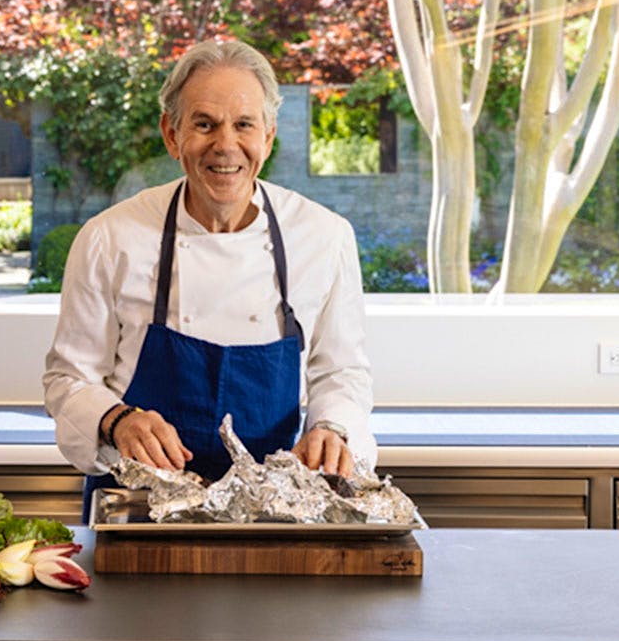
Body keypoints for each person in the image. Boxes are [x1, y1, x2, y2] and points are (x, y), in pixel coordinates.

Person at [42, 39, 377, 518]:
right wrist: (116, 420)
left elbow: (340, 370)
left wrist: (333, 428)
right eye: (204, 124)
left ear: (268, 136)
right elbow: (68, 378)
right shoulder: (108, 239)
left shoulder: (324, 237)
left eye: (244, 125)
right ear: (172, 134)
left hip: (273, 510)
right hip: (138, 508)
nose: (226, 145)